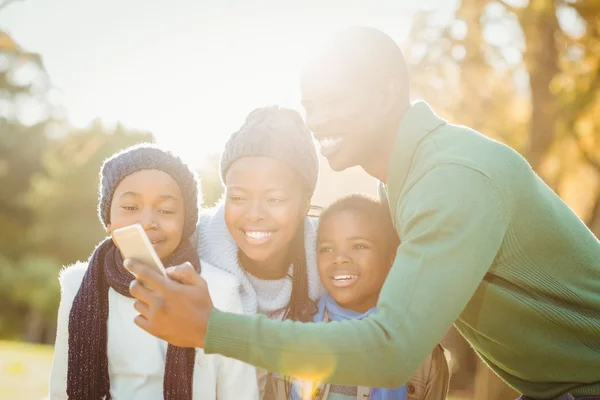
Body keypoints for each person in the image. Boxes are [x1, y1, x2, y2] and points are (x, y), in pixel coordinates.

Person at [125, 26, 600, 400]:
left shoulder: (451, 178)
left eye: (333, 100)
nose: (316, 120)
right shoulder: (398, 181)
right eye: (310, 106)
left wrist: (212, 328)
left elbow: (391, 349)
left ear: (386, 93)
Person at [48, 144, 258, 400]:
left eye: (166, 210)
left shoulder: (219, 291)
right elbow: (61, 388)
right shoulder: (77, 285)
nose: (147, 222)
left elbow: (240, 392)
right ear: (108, 220)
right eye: (129, 207)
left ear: (186, 223)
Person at [194, 106, 324, 396]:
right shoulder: (191, 247)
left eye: (274, 199)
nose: (254, 214)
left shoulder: (329, 257)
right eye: (238, 197)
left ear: (305, 203)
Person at [267, 194, 449, 400]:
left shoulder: (422, 355)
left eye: (358, 246)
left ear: (392, 257)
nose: (340, 258)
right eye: (327, 248)